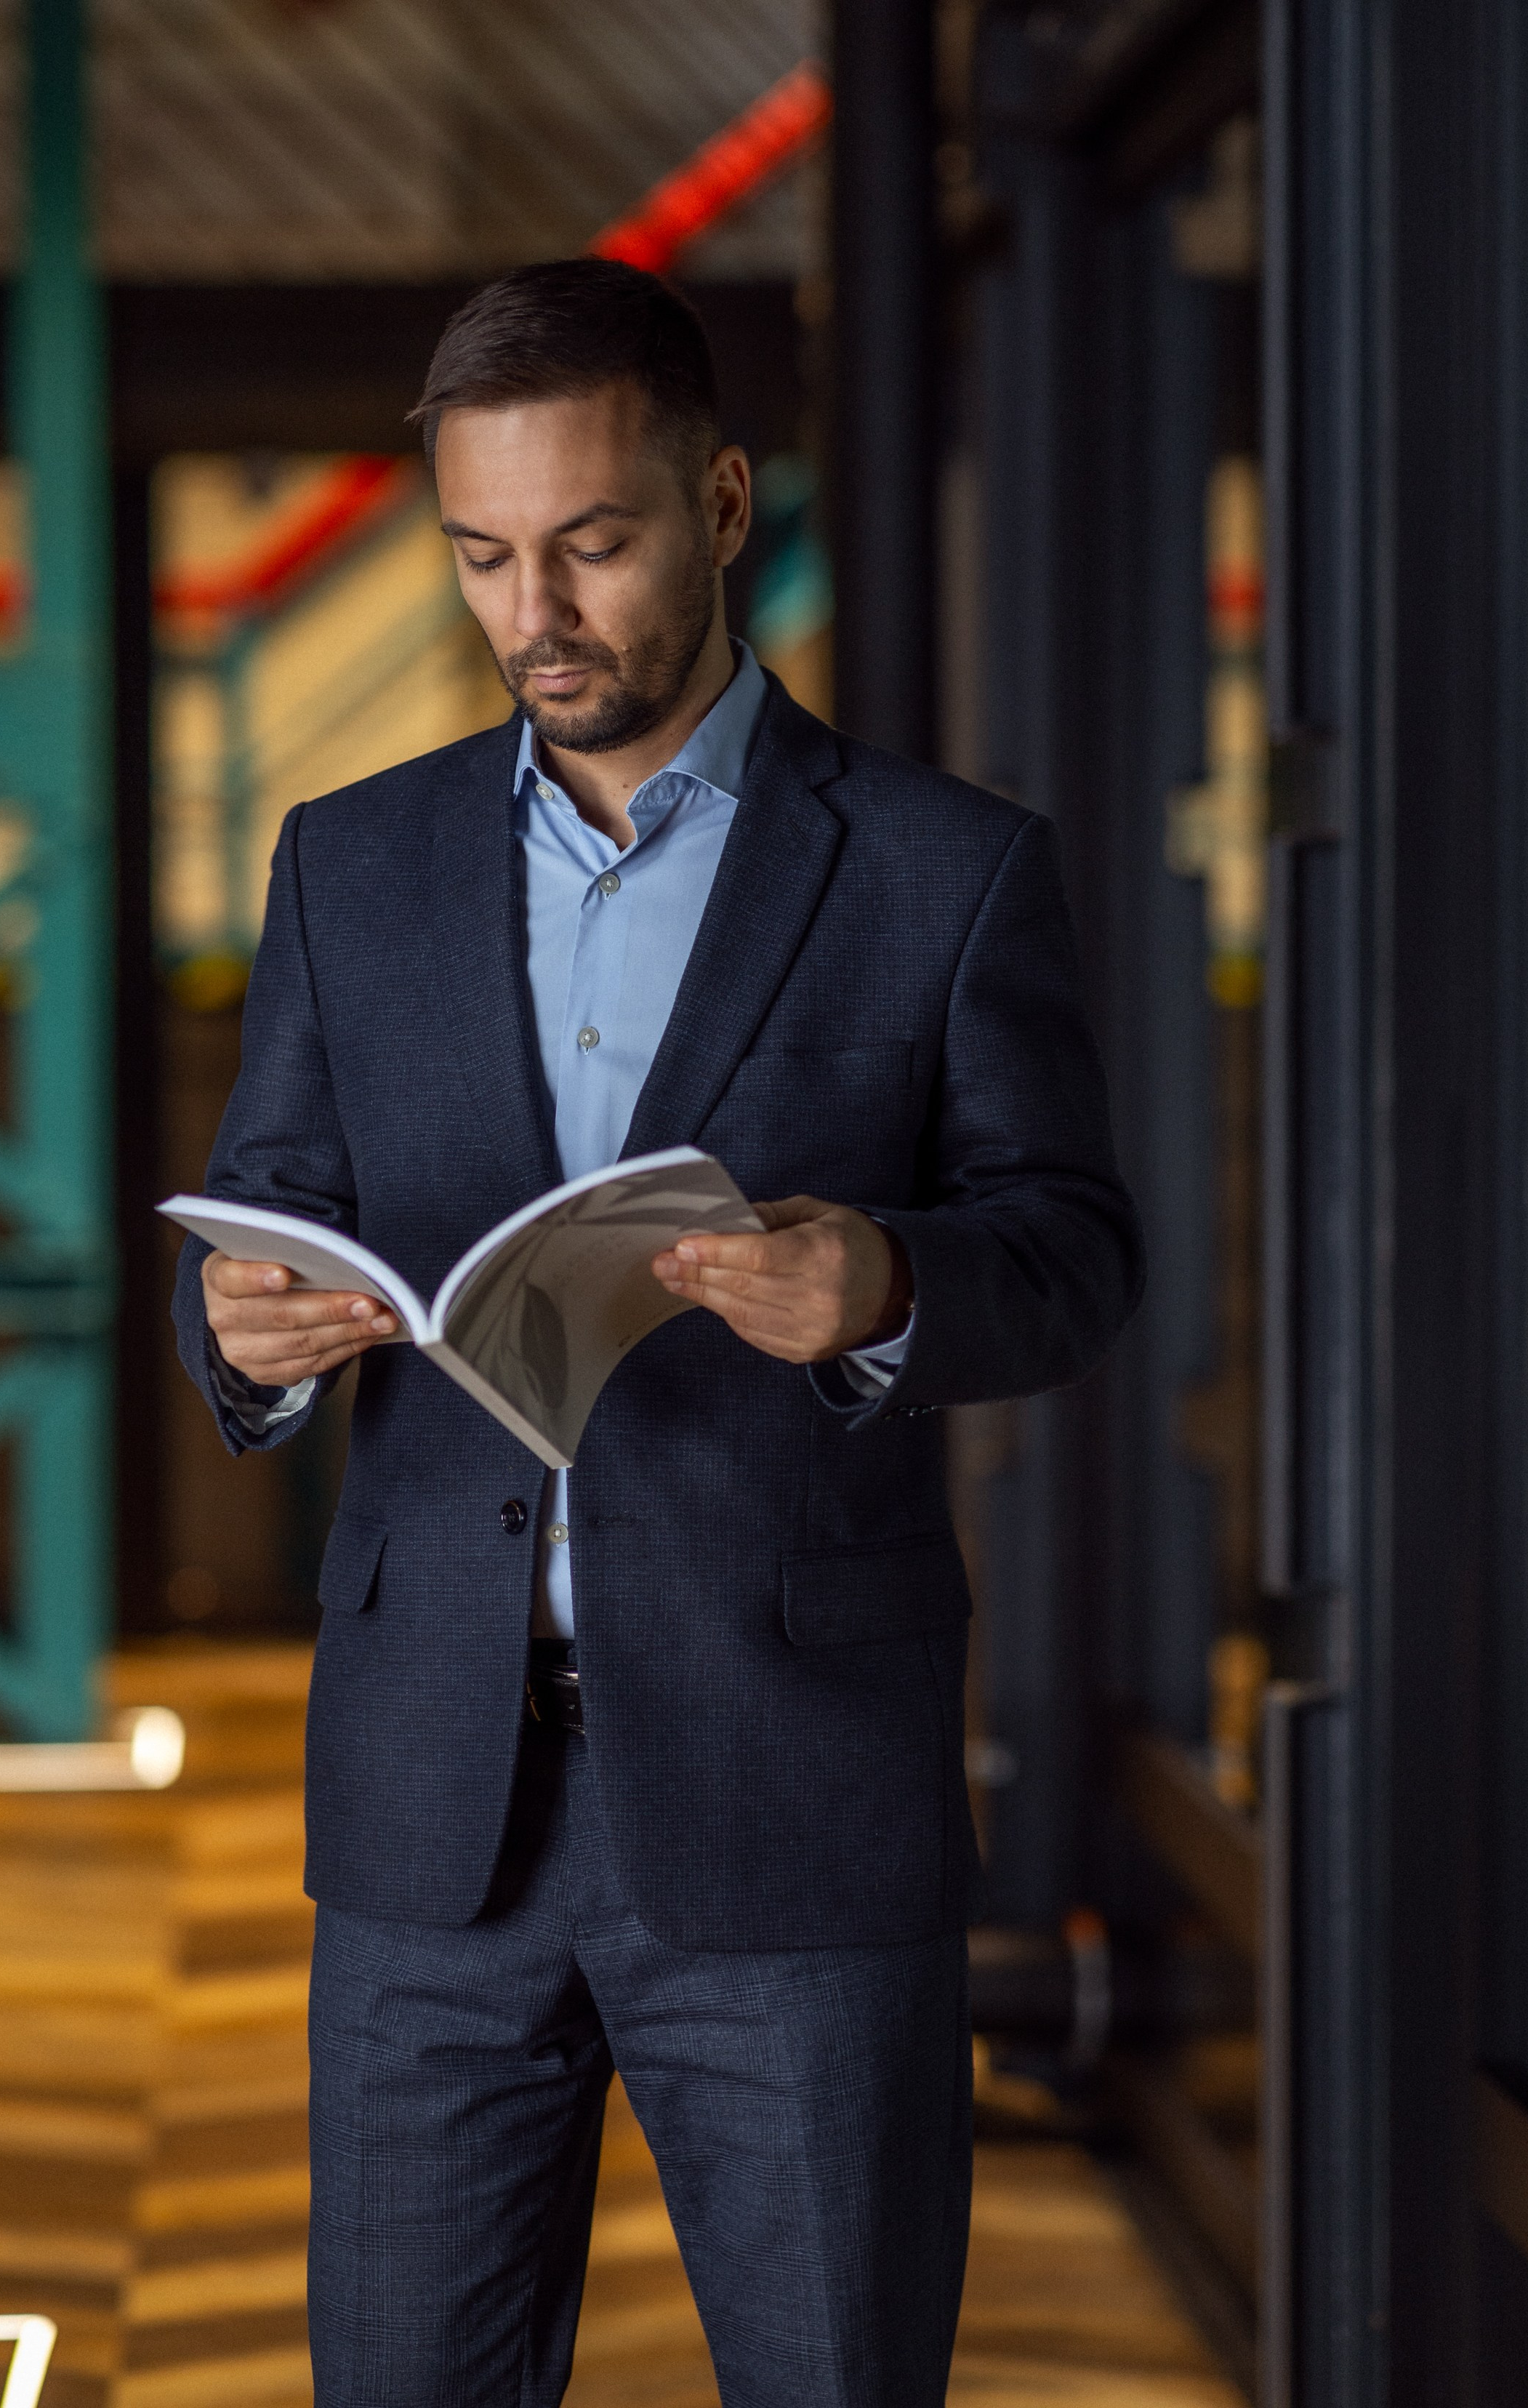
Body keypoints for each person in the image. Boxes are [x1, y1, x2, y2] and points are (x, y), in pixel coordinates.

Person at [172, 257, 1143, 2407]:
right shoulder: (353, 863)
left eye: (593, 546)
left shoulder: (940, 870)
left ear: (719, 504)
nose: (540, 614)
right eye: (486, 557)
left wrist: (883, 1286)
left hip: (799, 1800)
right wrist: (242, 1328)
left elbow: (1075, 1252)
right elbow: (260, 1220)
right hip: (434, 1812)